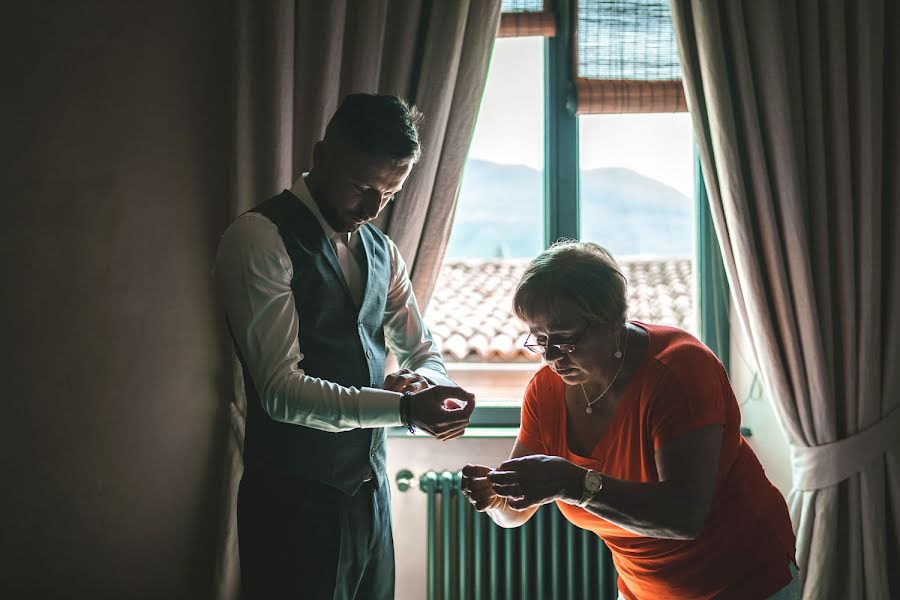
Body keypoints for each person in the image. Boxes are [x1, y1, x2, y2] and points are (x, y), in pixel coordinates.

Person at [216, 93, 475, 600]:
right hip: (292, 502)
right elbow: (282, 391)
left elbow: (423, 351)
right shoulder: (258, 238)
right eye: (362, 187)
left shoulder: (385, 252)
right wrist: (402, 407)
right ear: (320, 158)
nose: (375, 208)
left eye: (391, 192)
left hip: (370, 495)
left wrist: (437, 387)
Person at [461, 241, 798, 600]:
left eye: (565, 339)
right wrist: (497, 499)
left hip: (744, 581)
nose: (550, 357)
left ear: (612, 321)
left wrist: (575, 485)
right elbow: (517, 511)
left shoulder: (679, 372)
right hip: (644, 589)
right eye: (539, 339)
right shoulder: (546, 392)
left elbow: (684, 516)